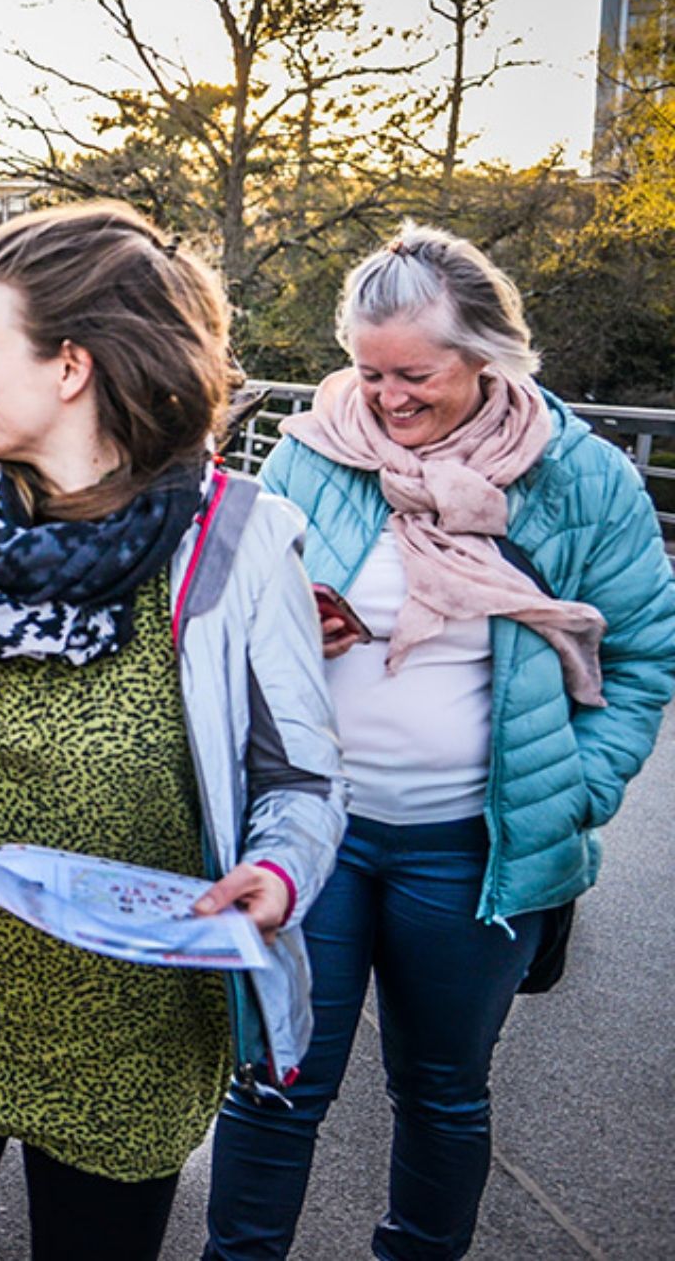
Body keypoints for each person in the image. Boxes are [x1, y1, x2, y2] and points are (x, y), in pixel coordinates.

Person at [0, 201, 346, 1261]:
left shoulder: (239, 541)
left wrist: (279, 870)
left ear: (69, 366)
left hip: (134, 1047)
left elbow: (300, 780)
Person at [204, 225, 675, 1261]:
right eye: (368, 371)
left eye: (414, 374)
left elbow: (642, 656)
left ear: (487, 355)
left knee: (442, 1090)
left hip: (478, 849)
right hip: (313, 834)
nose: (386, 399)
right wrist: (288, 623)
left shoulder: (581, 478)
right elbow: (225, 612)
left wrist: (578, 790)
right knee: (277, 1079)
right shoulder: (309, 451)